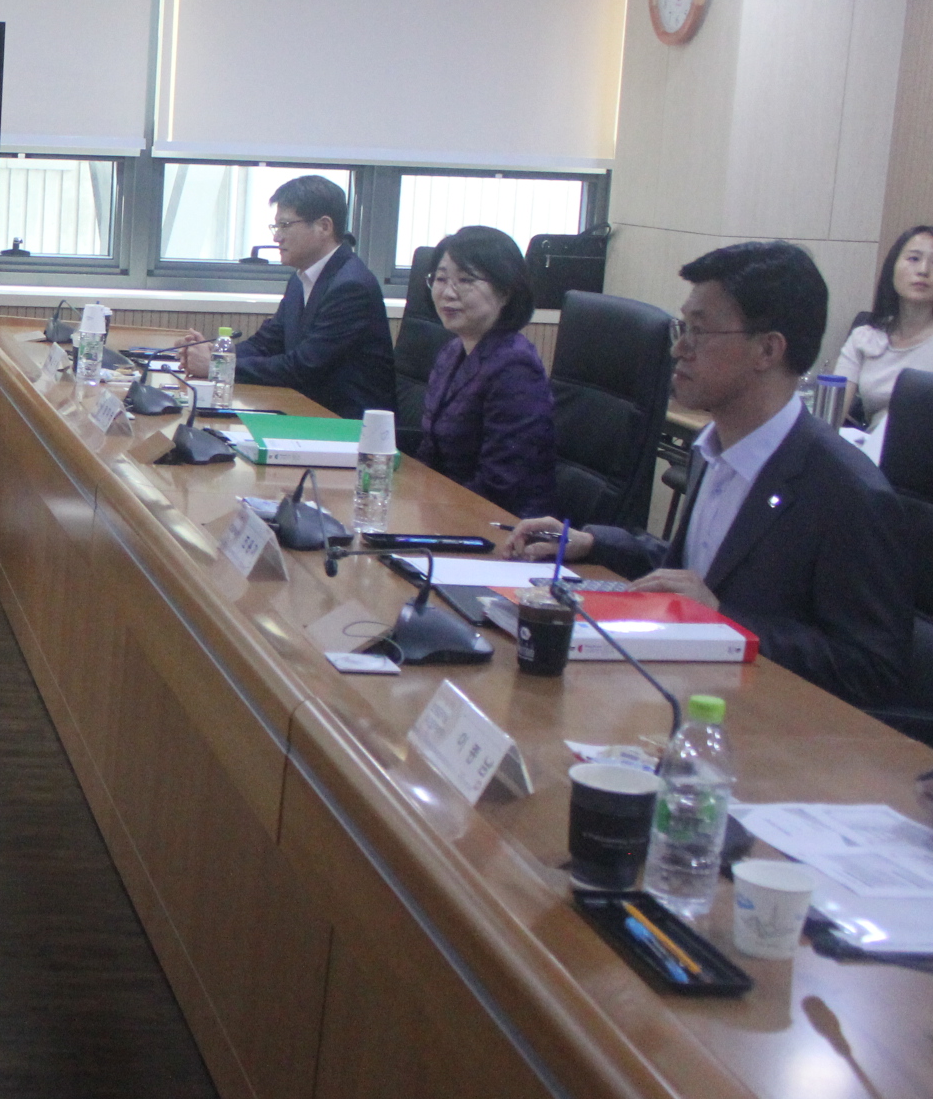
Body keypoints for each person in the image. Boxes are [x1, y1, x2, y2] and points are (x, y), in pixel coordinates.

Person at [506, 242, 911, 709]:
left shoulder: (847, 492)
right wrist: (594, 543)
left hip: (772, 726)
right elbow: (704, 572)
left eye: (698, 332)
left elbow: (875, 671)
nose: (678, 348)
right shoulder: (714, 446)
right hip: (691, 696)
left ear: (767, 349)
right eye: (682, 328)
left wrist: (725, 619)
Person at [178, 175, 394, 418]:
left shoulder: (351, 286)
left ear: (324, 226)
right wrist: (218, 353)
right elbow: (267, 343)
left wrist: (218, 367)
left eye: (285, 225)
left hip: (345, 423)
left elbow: (303, 367)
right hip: (306, 409)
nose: (276, 237)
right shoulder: (301, 278)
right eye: (276, 227)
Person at [413, 226, 556, 518]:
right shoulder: (452, 351)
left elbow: (501, 485)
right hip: (448, 510)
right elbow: (430, 451)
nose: (447, 293)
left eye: (465, 280)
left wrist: (432, 511)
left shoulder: (515, 368)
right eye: (440, 279)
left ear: (504, 292)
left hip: (499, 525)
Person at [824, 224, 933, 426]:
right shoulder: (863, 337)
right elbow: (832, 416)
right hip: (871, 443)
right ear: (893, 266)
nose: (923, 270)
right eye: (914, 259)